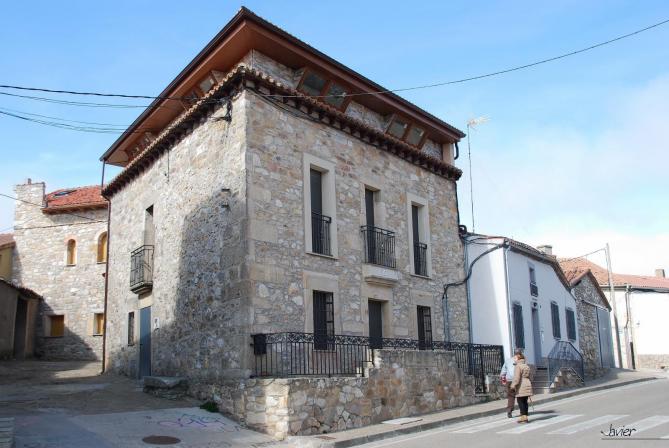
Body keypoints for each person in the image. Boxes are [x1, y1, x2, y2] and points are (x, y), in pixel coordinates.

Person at [509, 351, 533, 423]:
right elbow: (530, 376)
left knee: (520, 401)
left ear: (518, 358)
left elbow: (516, 378)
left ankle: (523, 417)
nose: (514, 359)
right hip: (527, 383)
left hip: (521, 385)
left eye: (515, 358)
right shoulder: (526, 365)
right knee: (525, 401)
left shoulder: (518, 366)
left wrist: (512, 386)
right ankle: (525, 416)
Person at [500, 350, 521, 418]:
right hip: (518, 380)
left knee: (511, 396)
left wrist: (503, 380)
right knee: (520, 395)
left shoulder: (508, 360)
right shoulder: (521, 361)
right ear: (520, 354)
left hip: (509, 380)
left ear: (514, 353)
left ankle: (509, 410)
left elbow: (503, 372)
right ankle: (522, 411)